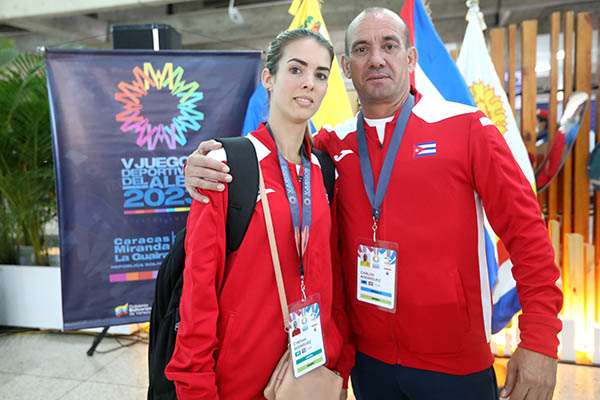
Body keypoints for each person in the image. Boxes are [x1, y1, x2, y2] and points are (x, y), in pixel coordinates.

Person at [183, 8, 563, 400]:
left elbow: (528, 235)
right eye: (362, 49)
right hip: (369, 366)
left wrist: (540, 340)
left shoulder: (466, 128)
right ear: (347, 67)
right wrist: (200, 165)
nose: (376, 58)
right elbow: (273, 156)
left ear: (411, 58)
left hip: (455, 364)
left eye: (389, 45)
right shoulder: (331, 147)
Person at [164, 28, 349, 399]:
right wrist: (195, 386)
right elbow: (197, 292)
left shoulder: (324, 169)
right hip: (238, 380)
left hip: (309, 372)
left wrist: (338, 356)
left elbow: (332, 276)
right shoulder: (226, 165)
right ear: (268, 77)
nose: (309, 83)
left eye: (320, 74)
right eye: (296, 70)